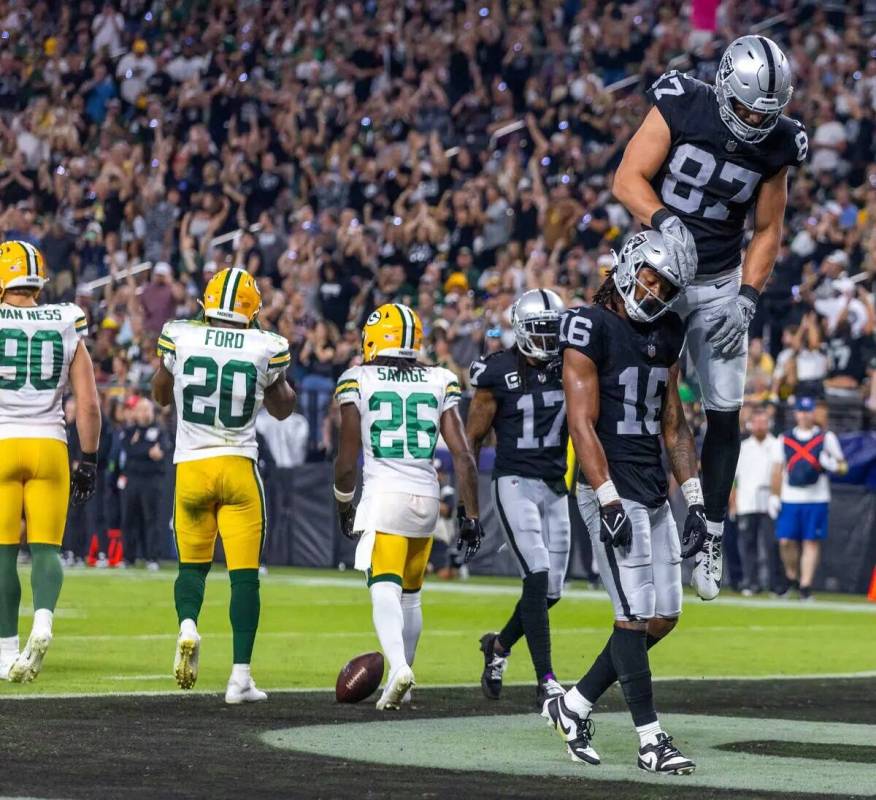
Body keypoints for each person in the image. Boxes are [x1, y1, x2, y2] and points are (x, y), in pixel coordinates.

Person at [612, 35, 807, 600]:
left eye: (765, 113)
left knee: (725, 414)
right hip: (659, 272)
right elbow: (628, 176)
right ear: (723, 85)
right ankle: (634, 512)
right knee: (642, 402)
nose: (753, 120)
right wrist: (664, 219)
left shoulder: (778, 143)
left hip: (721, 281)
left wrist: (748, 295)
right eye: (747, 106)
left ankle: (712, 534)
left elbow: (768, 228)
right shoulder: (681, 99)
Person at [543, 231, 703, 774]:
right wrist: (608, 498)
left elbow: (673, 422)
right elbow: (581, 421)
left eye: (667, 287)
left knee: (665, 616)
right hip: (608, 486)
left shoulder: (669, 331)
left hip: (654, 487)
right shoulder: (588, 324)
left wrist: (696, 501)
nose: (655, 292)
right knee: (632, 616)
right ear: (628, 266)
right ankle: (650, 740)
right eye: (651, 277)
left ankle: (574, 703)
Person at [152, 267, 296, 703]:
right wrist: (270, 384)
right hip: (237, 468)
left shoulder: (181, 334)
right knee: (244, 578)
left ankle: (188, 626)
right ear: (252, 310)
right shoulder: (265, 345)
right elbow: (284, 407)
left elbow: (159, 394)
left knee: (191, 568)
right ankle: (240, 678)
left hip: (191, 469)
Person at [333, 303, 482, 710]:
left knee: (383, 586)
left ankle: (399, 668)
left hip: (386, 495)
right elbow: (463, 455)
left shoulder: (357, 378)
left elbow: (347, 460)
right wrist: (471, 515)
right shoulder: (439, 378)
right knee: (412, 596)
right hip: (427, 497)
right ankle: (407, 683)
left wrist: (344, 502)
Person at [0, 241, 101, 682]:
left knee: (3, 555)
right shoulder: (65, 318)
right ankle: (42, 621)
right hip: (49, 445)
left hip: (3, 442)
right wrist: (90, 459)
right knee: (45, 549)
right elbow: (90, 404)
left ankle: (4, 652)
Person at [466, 288, 570, 705]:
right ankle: (546, 678)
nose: (547, 341)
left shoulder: (571, 363)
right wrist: (468, 507)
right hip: (514, 482)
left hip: (554, 483)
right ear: (521, 330)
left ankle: (499, 646)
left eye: (552, 331)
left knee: (552, 591)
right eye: (539, 331)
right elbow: (471, 440)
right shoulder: (496, 371)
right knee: (538, 572)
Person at [768, 397, 847, 601]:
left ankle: (805, 585)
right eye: (800, 411)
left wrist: (830, 464)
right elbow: (777, 470)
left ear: (813, 413)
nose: (804, 415)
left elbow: (843, 466)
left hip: (817, 497)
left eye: (808, 411)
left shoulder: (826, 438)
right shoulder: (784, 439)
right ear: (795, 414)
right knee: (786, 541)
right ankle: (791, 576)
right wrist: (774, 496)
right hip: (790, 497)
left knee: (811, 541)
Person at [732, 407, 783, 596]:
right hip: (748, 500)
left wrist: (777, 496)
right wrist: (733, 501)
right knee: (748, 544)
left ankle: (775, 583)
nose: (760, 426)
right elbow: (735, 478)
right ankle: (750, 582)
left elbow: (780, 473)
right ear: (750, 425)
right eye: (757, 422)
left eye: (763, 422)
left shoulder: (777, 445)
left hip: (769, 500)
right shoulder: (743, 447)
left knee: (772, 544)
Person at [119, 397, 170, 569]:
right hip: (132, 479)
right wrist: (148, 450)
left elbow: (163, 450)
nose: (144, 412)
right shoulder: (129, 430)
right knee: (129, 519)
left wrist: (140, 448)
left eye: (147, 409)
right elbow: (128, 449)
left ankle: (152, 558)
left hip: (152, 480)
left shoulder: (160, 430)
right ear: (135, 412)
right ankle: (129, 557)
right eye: (141, 409)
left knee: (151, 518)